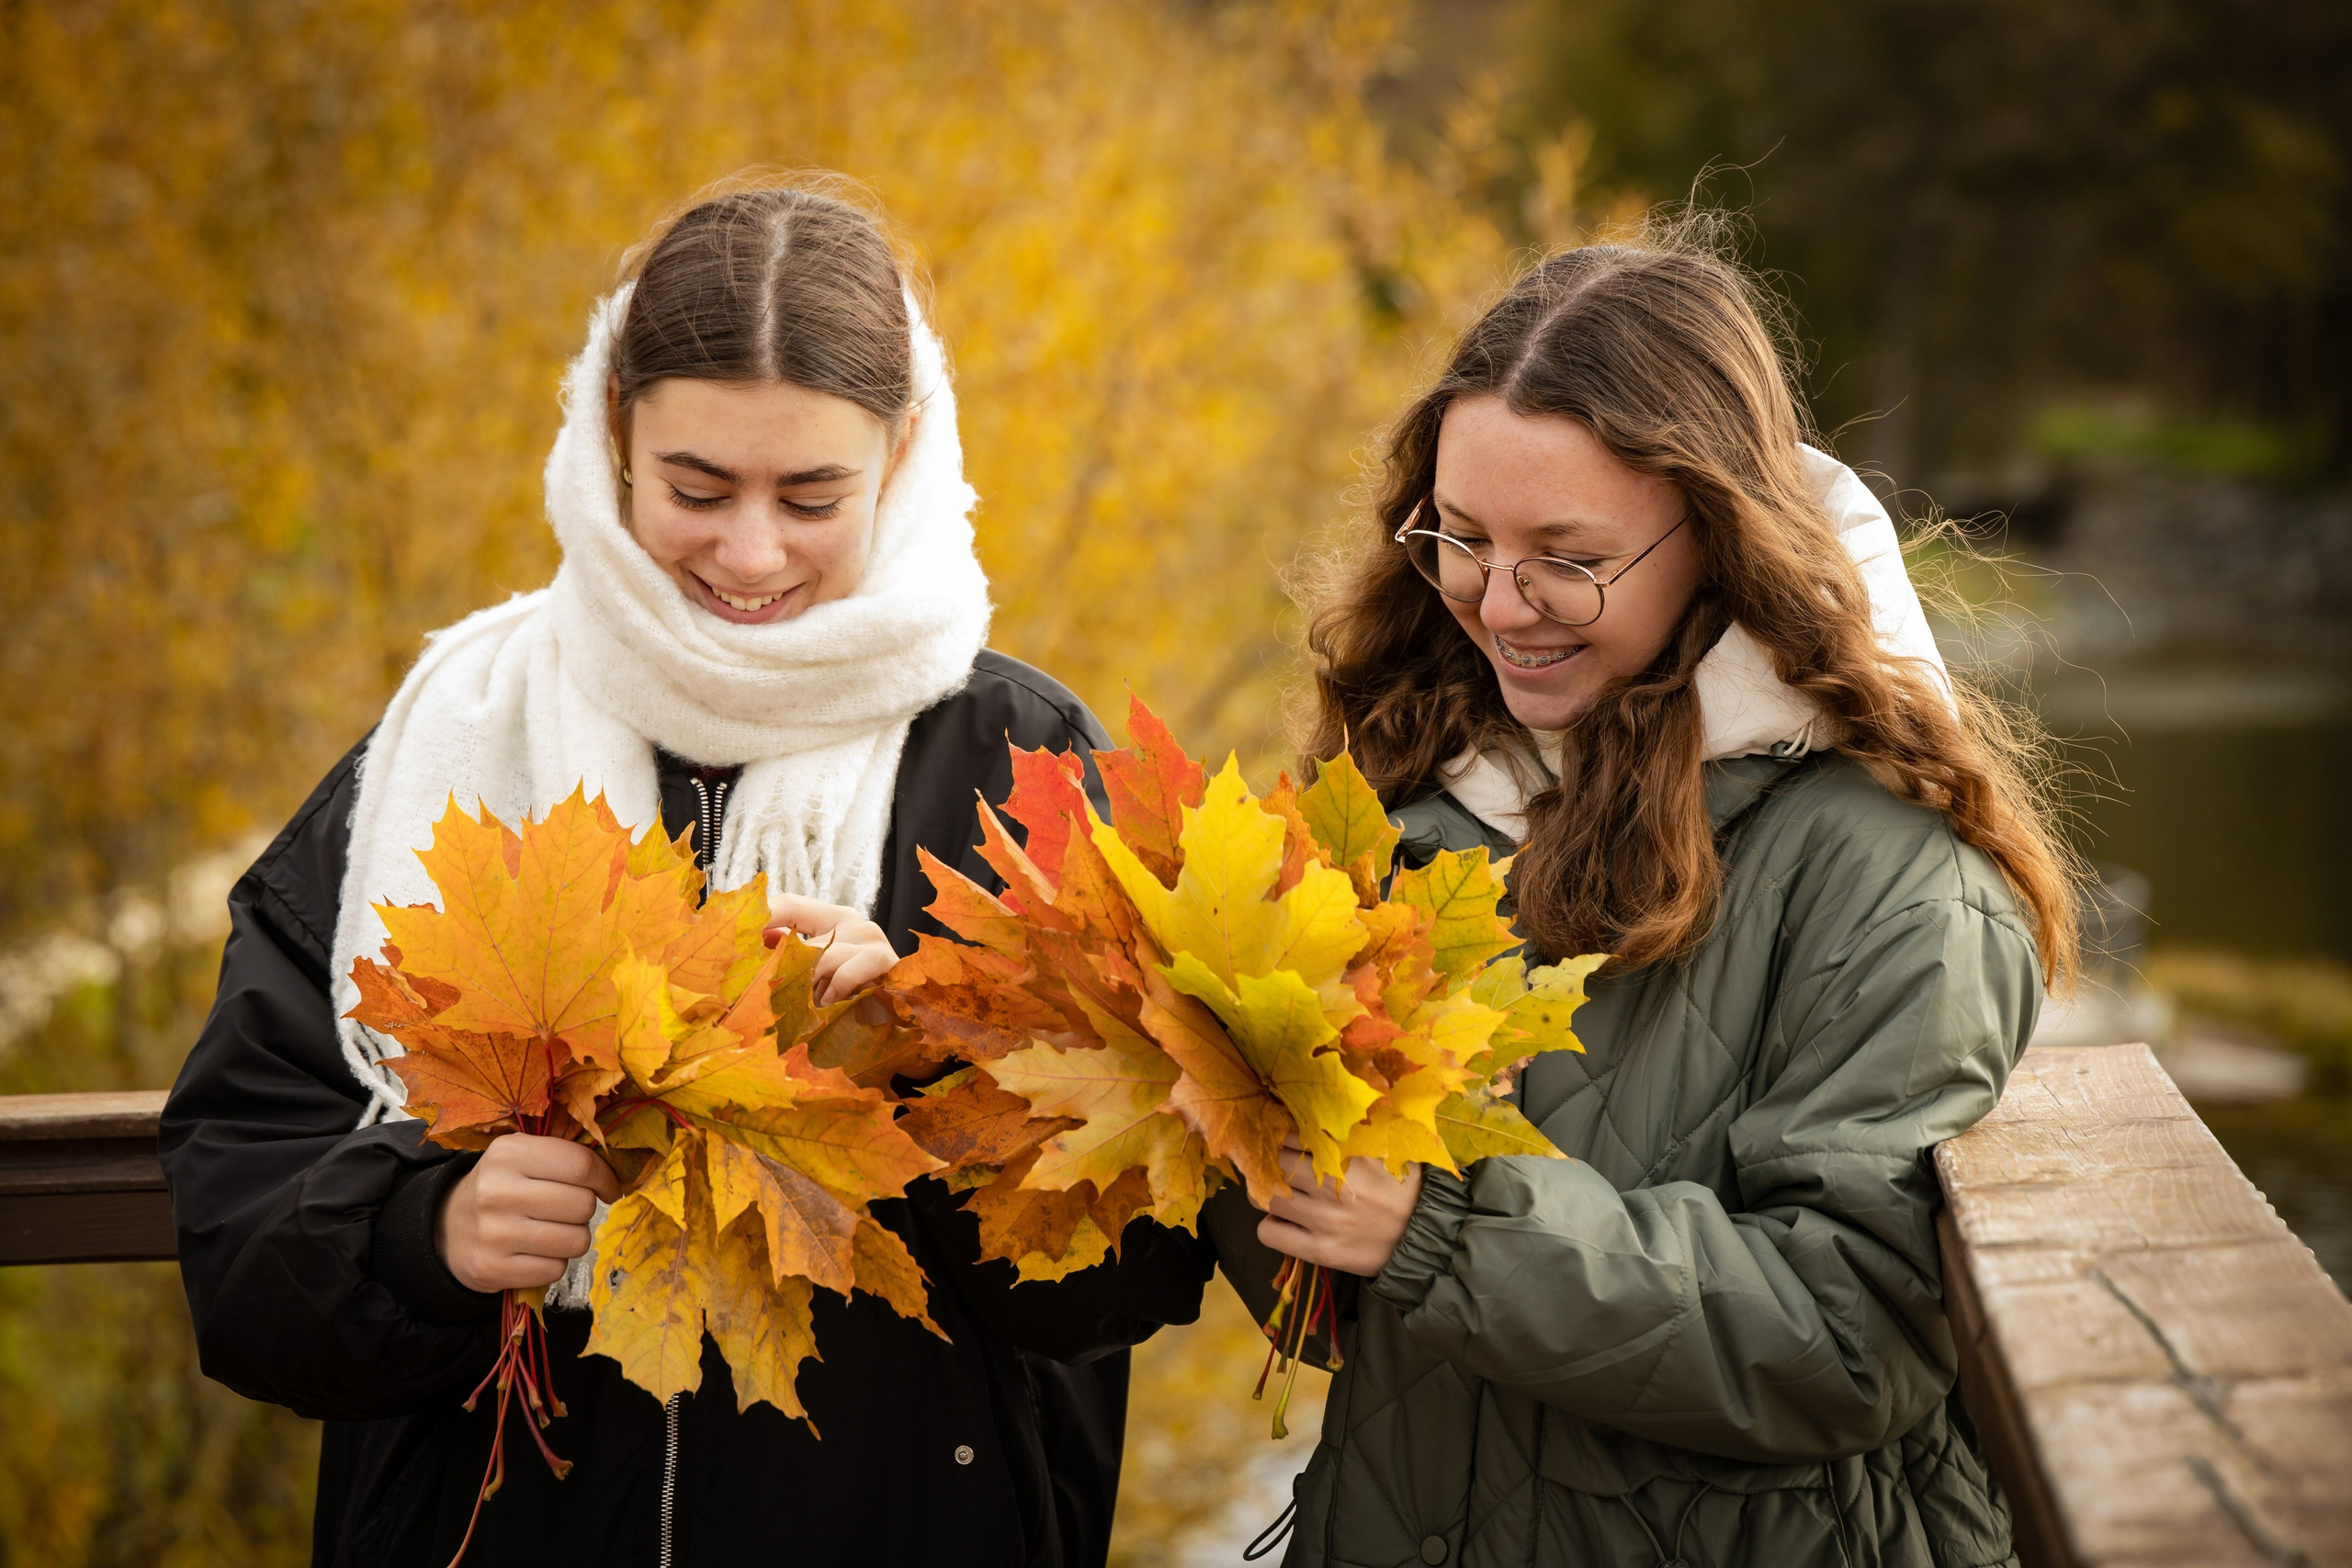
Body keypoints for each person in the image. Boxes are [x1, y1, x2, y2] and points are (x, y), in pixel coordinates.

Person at [160, 176, 1214, 1568]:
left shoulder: (1021, 772)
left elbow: (1131, 1271)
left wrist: (936, 1061)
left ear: (902, 456)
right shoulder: (454, 741)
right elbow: (237, 1227)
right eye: (698, 489)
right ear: (614, 442)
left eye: (812, 495)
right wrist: (430, 1229)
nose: (752, 552)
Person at [1205, 230, 2073, 1568]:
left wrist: (1449, 1224)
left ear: (1720, 538)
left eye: (1569, 556)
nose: (1500, 605)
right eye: (1463, 538)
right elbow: (1324, 1299)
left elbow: (1854, 1332)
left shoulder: (1894, 876)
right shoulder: (1408, 796)